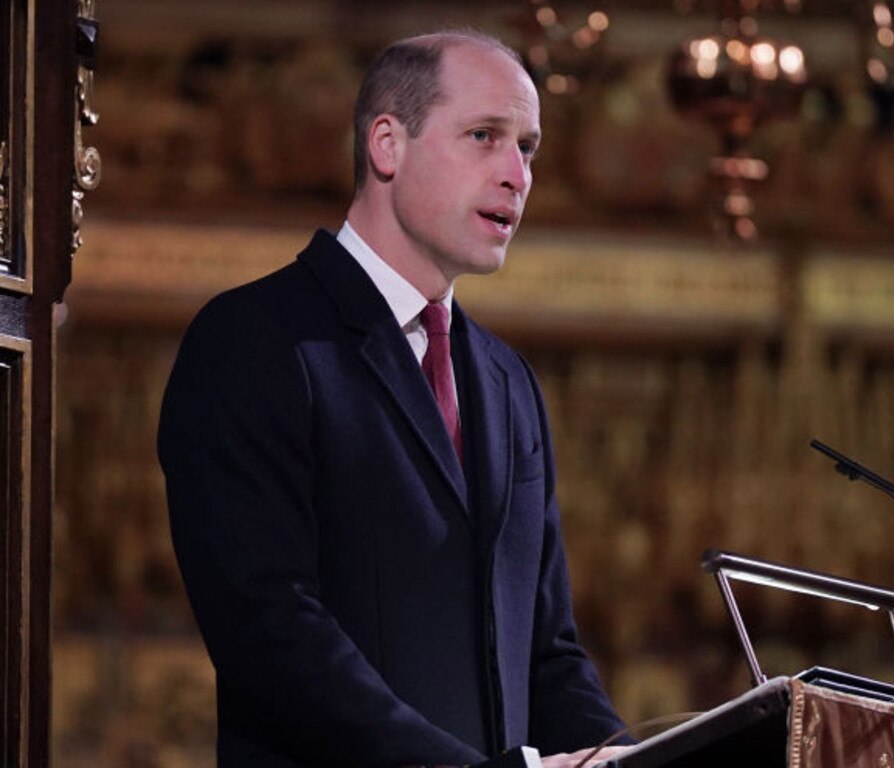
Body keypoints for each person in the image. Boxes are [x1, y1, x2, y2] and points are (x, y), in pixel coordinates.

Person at [158, 30, 631, 768]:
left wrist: (627, 760)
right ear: (387, 143)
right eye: (485, 136)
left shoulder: (509, 382)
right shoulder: (253, 341)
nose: (517, 175)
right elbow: (273, 635)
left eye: (528, 147)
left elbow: (546, 650)